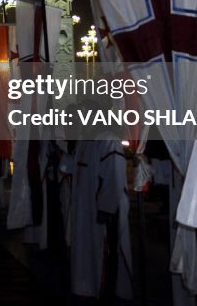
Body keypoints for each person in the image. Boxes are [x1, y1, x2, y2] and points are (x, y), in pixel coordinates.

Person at [70, 128, 133, 302]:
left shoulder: (109, 141)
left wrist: (106, 208)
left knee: (104, 254)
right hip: (84, 209)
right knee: (85, 249)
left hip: (101, 211)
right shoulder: (83, 140)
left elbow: (114, 176)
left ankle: (106, 293)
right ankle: (84, 287)